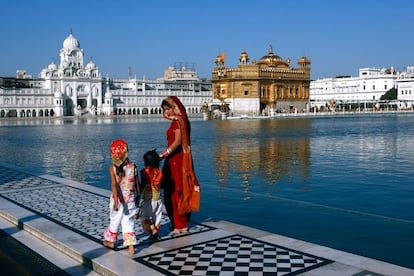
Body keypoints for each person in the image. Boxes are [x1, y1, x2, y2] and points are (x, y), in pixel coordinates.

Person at [159, 96, 200, 234]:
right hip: (175, 159)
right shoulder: (179, 121)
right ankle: (179, 223)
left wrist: (164, 153)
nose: (167, 112)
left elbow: (177, 142)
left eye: (168, 109)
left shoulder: (178, 123)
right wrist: (170, 117)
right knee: (177, 189)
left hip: (177, 159)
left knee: (176, 190)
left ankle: (180, 224)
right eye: (164, 110)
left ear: (175, 107)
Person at [103, 139, 140, 254]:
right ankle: (131, 247)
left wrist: (115, 203)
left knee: (115, 220)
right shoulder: (133, 167)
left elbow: (114, 185)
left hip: (118, 200)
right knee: (128, 221)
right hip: (130, 199)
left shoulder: (112, 168)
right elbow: (137, 183)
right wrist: (139, 196)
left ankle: (111, 242)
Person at [139, 149, 163, 240]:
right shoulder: (159, 172)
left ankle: (152, 229)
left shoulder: (144, 172)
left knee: (144, 216)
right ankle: (155, 234)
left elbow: (142, 185)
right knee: (157, 217)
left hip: (148, 200)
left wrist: (138, 196)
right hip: (158, 200)